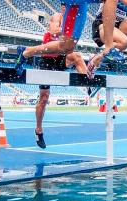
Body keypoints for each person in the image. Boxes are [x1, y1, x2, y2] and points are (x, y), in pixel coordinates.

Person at [14, 0, 127, 76]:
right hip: (75, 2)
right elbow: (53, 32)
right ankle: (109, 48)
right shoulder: (57, 16)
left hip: (81, 4)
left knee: (66, 47)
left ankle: (26, 51)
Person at [35, 9, 91, 149]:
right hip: (47, 61)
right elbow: (54, 31)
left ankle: (87, 83)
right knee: (44, 98)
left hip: (60, 58)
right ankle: (38, 129)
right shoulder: (57, 17)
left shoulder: (72, 19)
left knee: (77, 56)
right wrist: (70, 32)